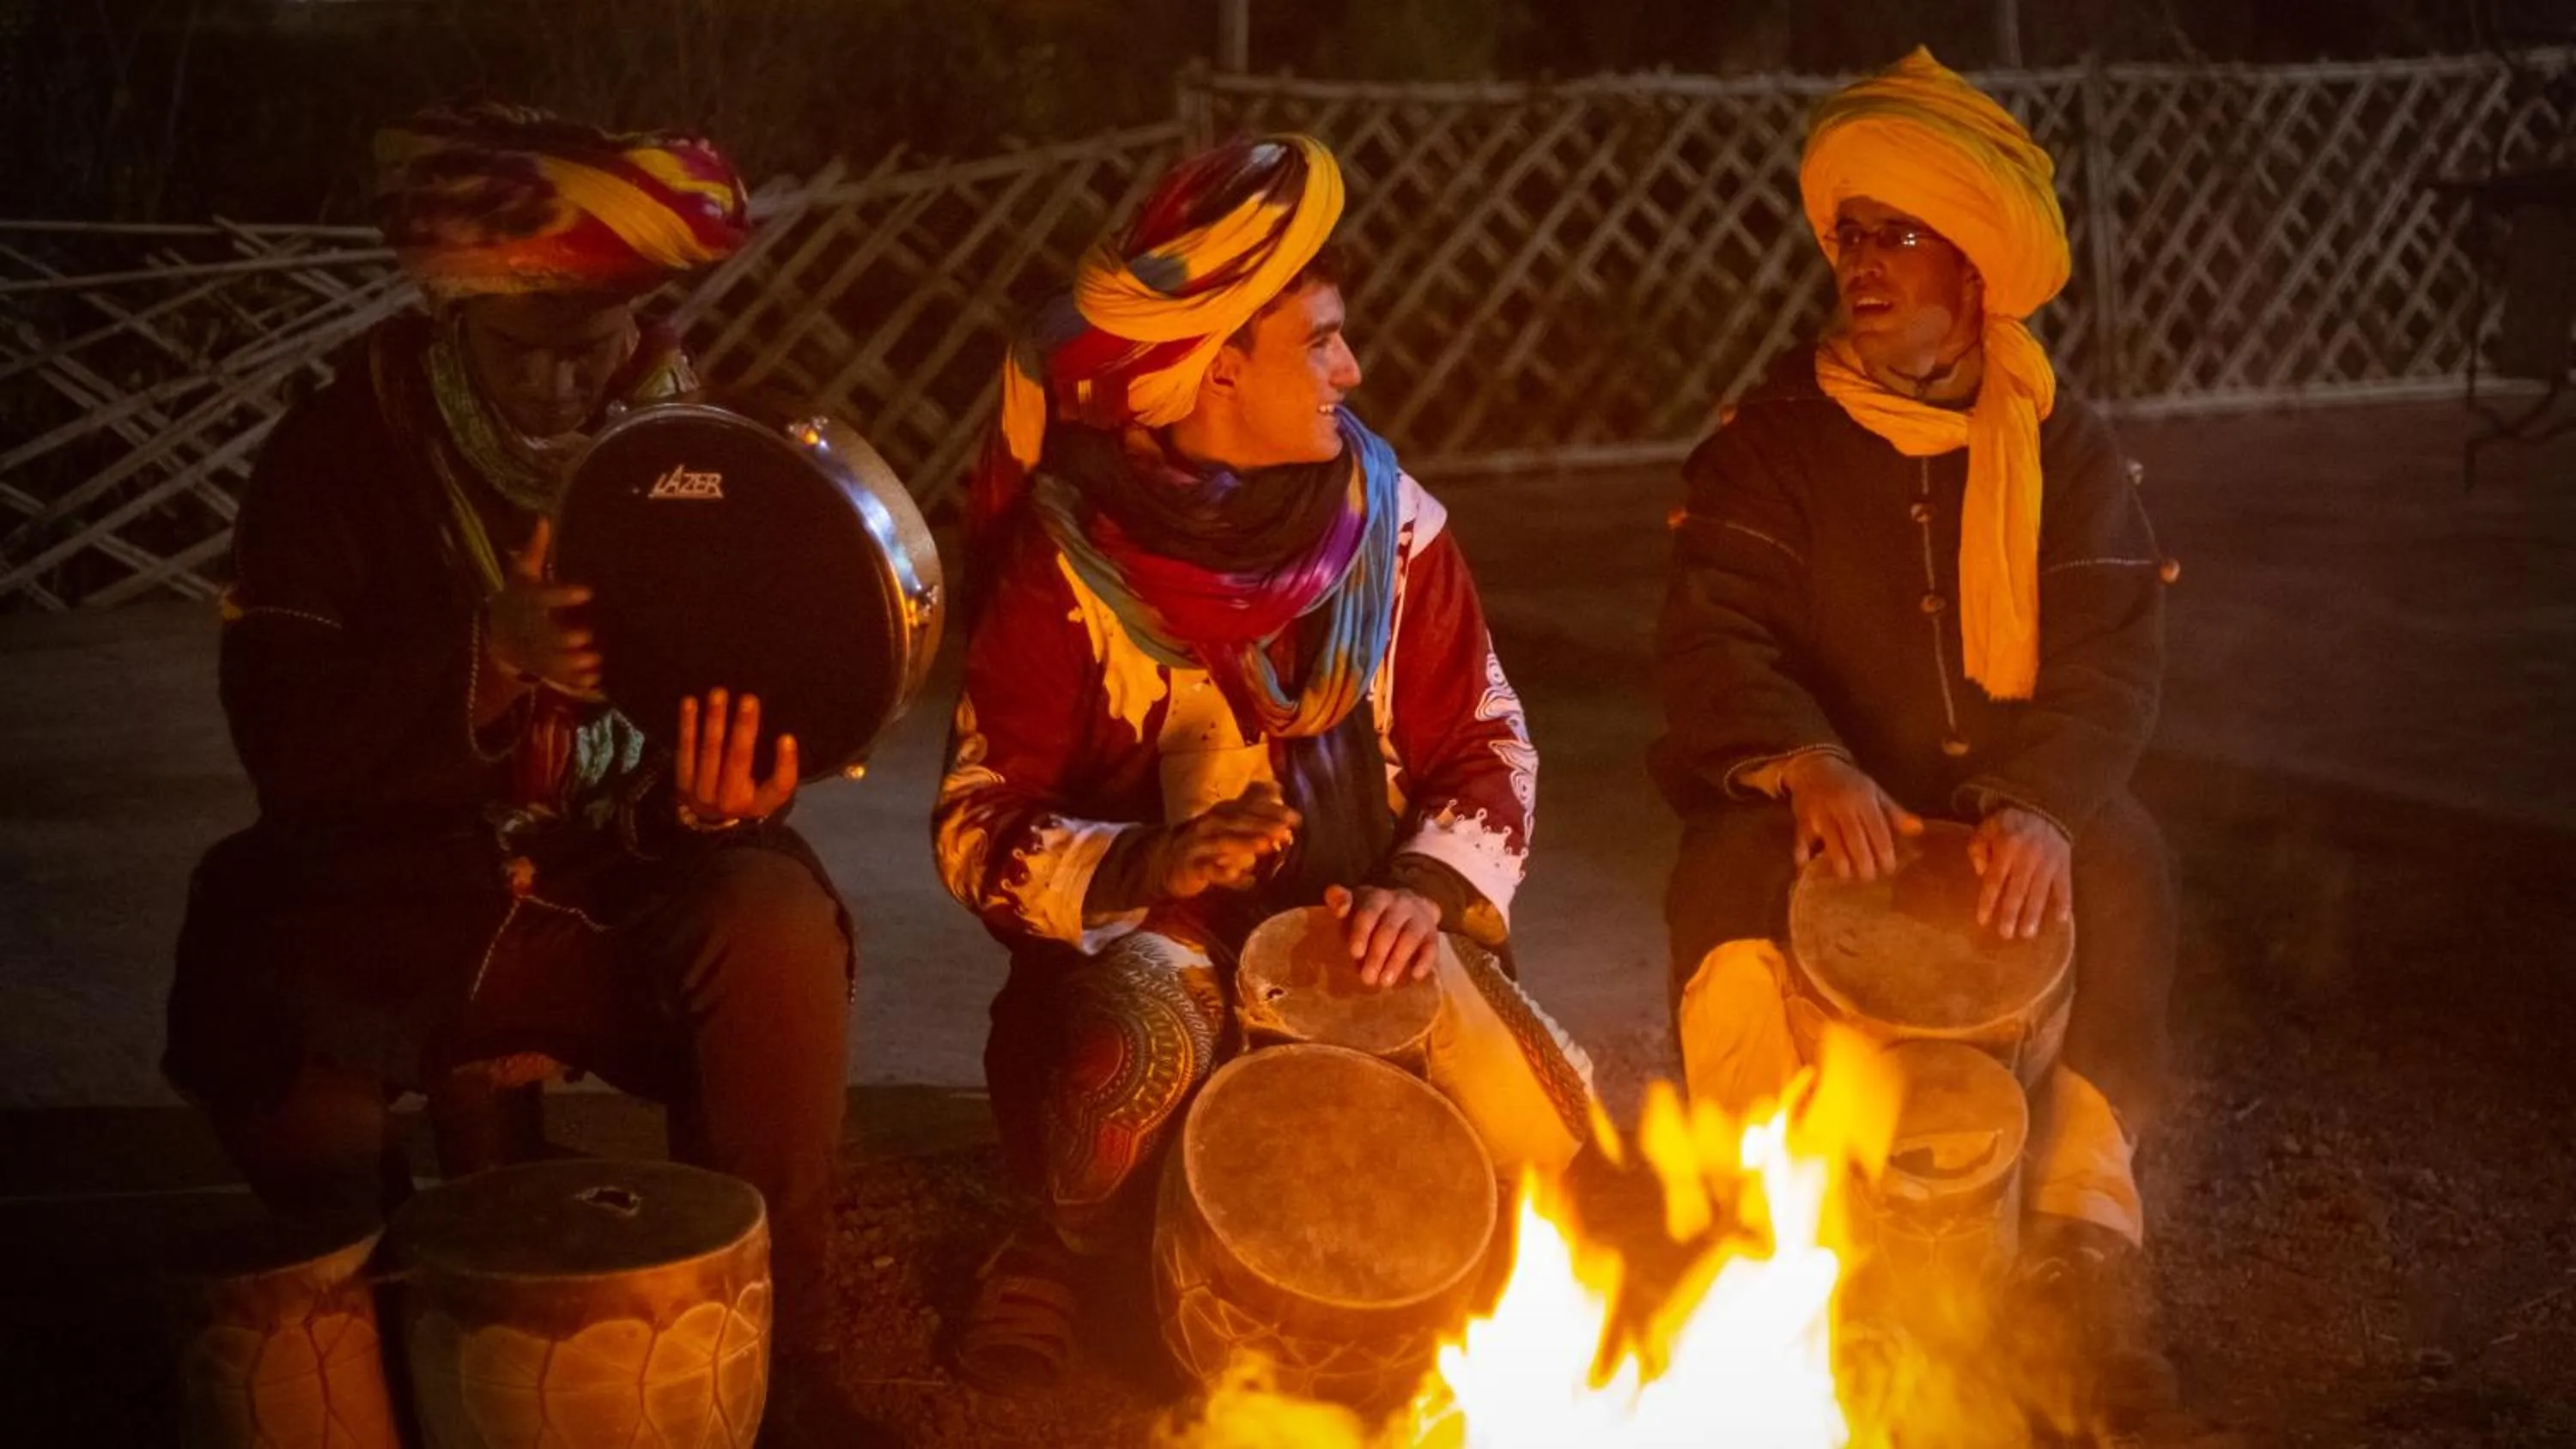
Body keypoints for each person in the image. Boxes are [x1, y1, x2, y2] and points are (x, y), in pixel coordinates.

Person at [162, 100, 871, 1445]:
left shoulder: (697, 464)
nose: (560, 387)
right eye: (521, 353)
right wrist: (486, 661)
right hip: (392, 875)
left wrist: (715, 797)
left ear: (643, 327)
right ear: (455, 317)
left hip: (617, 871)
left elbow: (745, 691)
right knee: (267, 1000)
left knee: (773, 926)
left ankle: (782, 1346)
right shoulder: (339, 454)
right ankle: (355, 1343)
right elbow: (282, 727)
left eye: (591, 351)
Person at [933, 134, 1592, 1393]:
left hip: (1362, 921)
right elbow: (976, 822)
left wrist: (1427, 891)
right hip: (1162, 949)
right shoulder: (1070, 563)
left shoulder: (1389, 522)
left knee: (1560, 1129)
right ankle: (1072, 1247)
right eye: (1321, 342)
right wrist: (1147, 862)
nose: (1352, 369)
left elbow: (1490, 740)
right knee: (1129, 1056)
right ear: (1215, 365)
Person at [1652, 49, 2184, 1439]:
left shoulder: (2063, 448)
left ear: (1975, 267)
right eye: (1850, 235)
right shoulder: (1770, 439)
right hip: (1833, 798)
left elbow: (2113, 657)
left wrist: (2045, 804)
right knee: (1720, 867)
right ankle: (1762, 1228)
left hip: (1998, 799)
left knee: (2125, 862)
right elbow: (1716, 636)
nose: (1864, 265)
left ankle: (2084, 1247)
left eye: (1898, 235)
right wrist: (1806, 762)